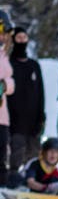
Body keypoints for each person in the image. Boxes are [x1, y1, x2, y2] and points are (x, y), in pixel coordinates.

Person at [7, 24, 45, 179]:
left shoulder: (33, 65)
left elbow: (41, 93)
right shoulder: (8, 65)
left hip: (33, 120)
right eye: (18, 38)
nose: (22, 41)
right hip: (14, 120)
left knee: (33, 156)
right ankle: (11, 181)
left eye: (24, 37)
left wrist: (41, 117)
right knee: (16, 153)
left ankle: (31, 183)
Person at [0, 10, 14, 187]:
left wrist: (5, 85)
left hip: (2, 115)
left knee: (2, 153)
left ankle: (1, 190)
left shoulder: (4, 55)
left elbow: (10, 82)